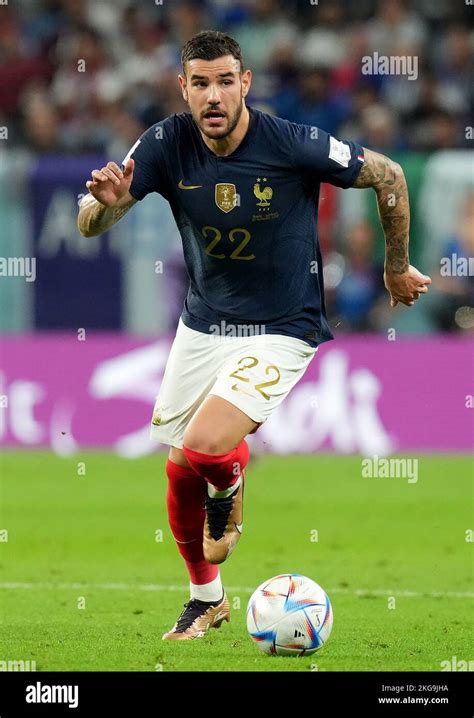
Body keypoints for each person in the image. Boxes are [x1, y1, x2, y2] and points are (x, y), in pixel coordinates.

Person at [77, 31, 431, 641]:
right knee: (179, 468)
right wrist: (105, 206)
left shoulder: (290, 143)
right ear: (182, 87)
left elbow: (389, 173)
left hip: (282, 325)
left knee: (209, 447)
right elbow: (89, 222)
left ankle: (232, 481)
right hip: (203, 323)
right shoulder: (165, 142)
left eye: (224, 82)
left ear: (245, 84)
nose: (212, 96)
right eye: (199, 83)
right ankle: (205, 601)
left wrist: (396, 266)